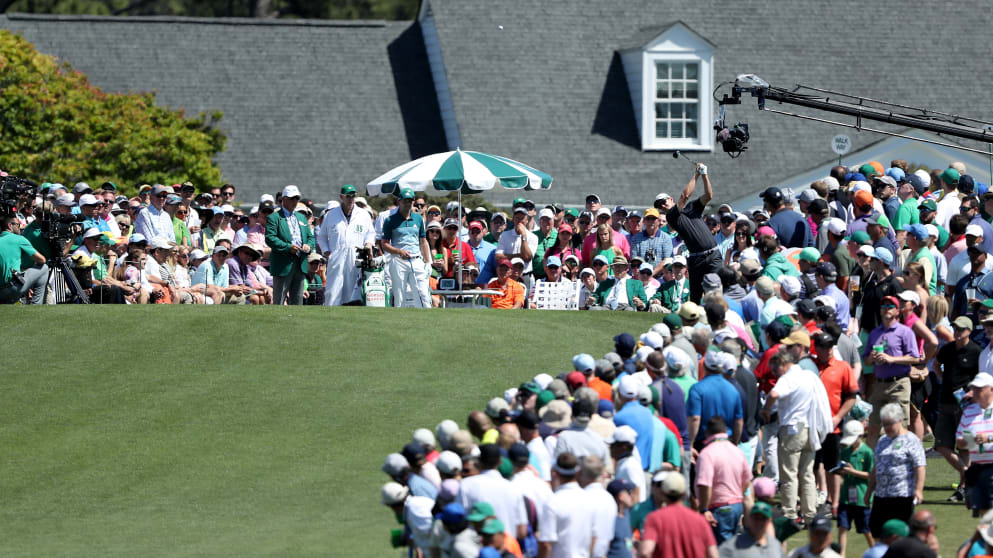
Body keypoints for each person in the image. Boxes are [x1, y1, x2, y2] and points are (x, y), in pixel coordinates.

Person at [761, 346, 833, 524]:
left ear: (783, 364)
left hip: (792, 429)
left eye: (775, 369)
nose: (775, 374)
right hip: (809, 429)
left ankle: (789, 513)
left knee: (789, 474)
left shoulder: (789, 378)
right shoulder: (808, 376)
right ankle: (809, 514)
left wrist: (766, 409)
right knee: (807, 474)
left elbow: (774, 393)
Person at [935, 316, 981, 503]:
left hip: (967, 406)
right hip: (946, 402)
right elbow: (936, 364)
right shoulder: (947, 349)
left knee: (964, 447)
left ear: (969, 331)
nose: (957, 332)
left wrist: (971, 393)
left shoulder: (976, 351)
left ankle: (963, 488)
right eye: (955, 328)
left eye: (961, 329)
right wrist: (941, 378)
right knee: (941, 444)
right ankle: (967, 474)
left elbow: (980, 377)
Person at [863, 295, 921, 442]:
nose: (886, 309)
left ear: (897, 311)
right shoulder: (875, 333)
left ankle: (901, 461)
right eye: (883, 306)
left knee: (899, 427)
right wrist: (872, 357)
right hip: (879, 384)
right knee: (873, 427)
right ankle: (873, 465)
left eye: (890, 306)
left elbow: (915, 357)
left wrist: (892, 359)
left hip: (899, 384)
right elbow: (867, 361)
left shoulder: (905, 332)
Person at [866, 403, 926, 539]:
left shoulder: (911, 440)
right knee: (878, 532)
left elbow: (920, 466)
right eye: (884, 424)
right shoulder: (882, 440)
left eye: (889, 424)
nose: (886, 428)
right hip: (881, 495)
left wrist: (918, 489)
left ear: (900, 421)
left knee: (900, 534)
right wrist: (869, 491)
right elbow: (877, 466)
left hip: (902, 495)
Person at [666, 163, 720, 304]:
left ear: (671, 199)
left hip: (713, 255)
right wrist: (696, 174)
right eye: (659, 205)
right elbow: (684, 196)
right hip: (696, 260)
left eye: (664, 202)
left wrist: (704, 175)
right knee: (696, 297)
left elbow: (709, 196)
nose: (662, 206)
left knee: (716, 294)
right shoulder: (671, 216)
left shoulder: (692, 208)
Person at [695, 416, 752, 545]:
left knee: (721, 548)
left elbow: (705, 485)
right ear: (725, 431)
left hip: (719, 507)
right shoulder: (737, 451)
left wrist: (704, 509)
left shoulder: (707, 453)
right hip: (737, 505)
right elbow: (747, 480)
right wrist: (738, 495)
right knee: (731, 544)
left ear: (707, 432)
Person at [638, 472, 718, 558]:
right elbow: (713, 554)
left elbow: (645, 552)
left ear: (663, 492)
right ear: (684, 493)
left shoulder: (654, 518)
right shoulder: (700, 520)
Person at [319, 184, 375, 306]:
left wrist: (368, 244)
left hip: (356, 257)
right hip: (336, 257)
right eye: (348, 196)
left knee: (354, 292)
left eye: (353, 196)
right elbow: (322, 237)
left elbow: (370, 234)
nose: (351, 199)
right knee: (333, 292)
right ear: (341, 197)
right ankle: (330, 317)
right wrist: (327, 252)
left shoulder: (363, 214)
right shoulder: (331, 215)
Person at [538, 453, 597, 558]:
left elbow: (546, 544)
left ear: (555, 473)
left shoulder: (552, 502)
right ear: (579, 472)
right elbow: (594, 538)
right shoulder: (590, 499)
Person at [381, 187, 431, 308]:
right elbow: (384, 244)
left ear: (413, 201)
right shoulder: (390, 220)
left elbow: (423, 241)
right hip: (398, 261)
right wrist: (399, 251)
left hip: (416, 259)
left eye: (410, 200)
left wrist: (428, 262)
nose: (407, 203)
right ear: (399, 201)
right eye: (405, 200)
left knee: (423, 294)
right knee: (400, 297)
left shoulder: (418, 218)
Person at [265, 185, 315, 305]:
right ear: (284, 199)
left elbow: (310, 237)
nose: (295, 201)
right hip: (283, 264)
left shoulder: (301, 217)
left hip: (300, 262)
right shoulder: (274, 217)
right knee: (279, 300)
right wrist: (288, 248)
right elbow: (270, 238)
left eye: (297, 198)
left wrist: (308, 246)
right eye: (292, 198)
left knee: (298, 300)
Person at [834, 420, 874, 557]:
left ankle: (876, 552)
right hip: (846, 497)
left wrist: (852, 472)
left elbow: (870, 475)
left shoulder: (867, 452)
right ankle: (841, 554)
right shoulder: (845, 451)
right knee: (842, 526)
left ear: (861, 436)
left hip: (862, 498)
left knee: (866, 529)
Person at [957, 372, 993, 516]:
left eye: (979, 388)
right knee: (982, 511)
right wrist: (966, 441)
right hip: (977, 467)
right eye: (974, 388)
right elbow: (959, 441)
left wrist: (989, 438)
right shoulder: (969, 411)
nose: (975, 392)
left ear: (991, 389)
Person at [0, 215, 48, 304]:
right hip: (13, 288)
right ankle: (36, 305)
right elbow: (42, 260)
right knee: (44, 268)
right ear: (10, 226)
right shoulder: (18, 239)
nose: (20, 228)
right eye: (18, 225)